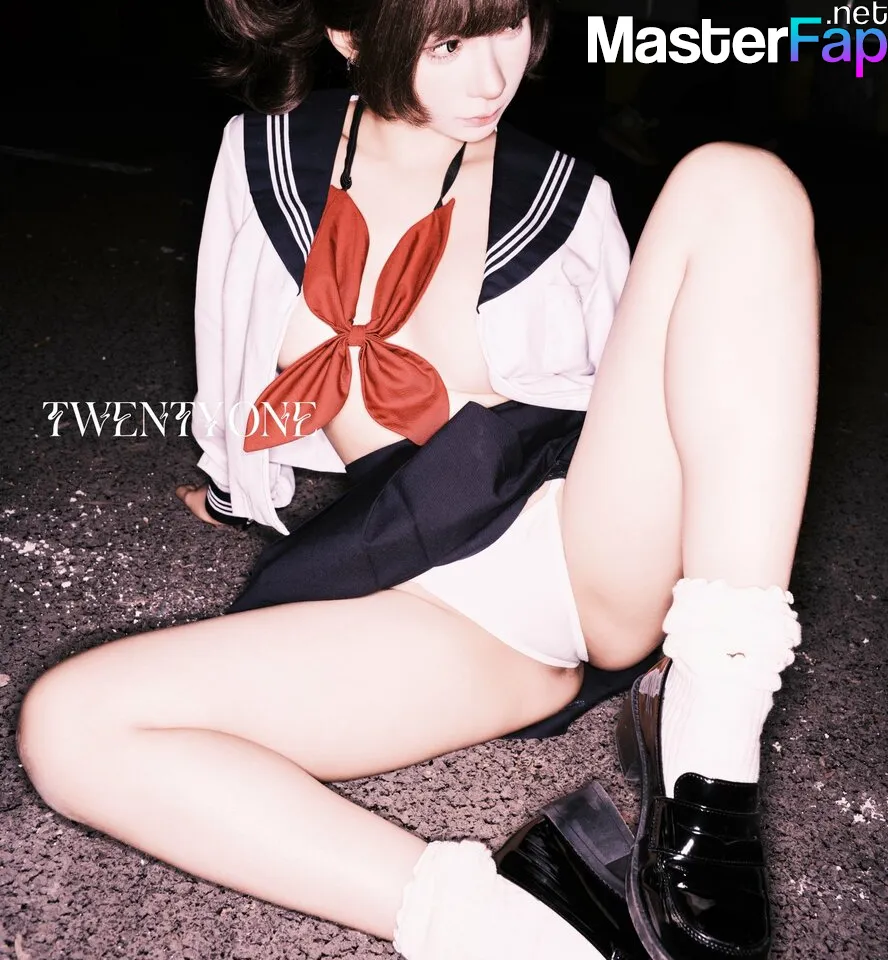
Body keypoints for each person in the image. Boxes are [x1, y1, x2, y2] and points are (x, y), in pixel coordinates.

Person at [16, 1, 820, 959]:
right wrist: (235, 491)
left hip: (580, 524)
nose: (494, 77)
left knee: (738, 182)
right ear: (351, 36)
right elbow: (232, 342)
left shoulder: (565, 194)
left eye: (509, 25)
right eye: (448, 43)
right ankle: (531, 932)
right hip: (436, 598)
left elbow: (679, 397)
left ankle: (714, 750)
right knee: (69, 725)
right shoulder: (264, 155)